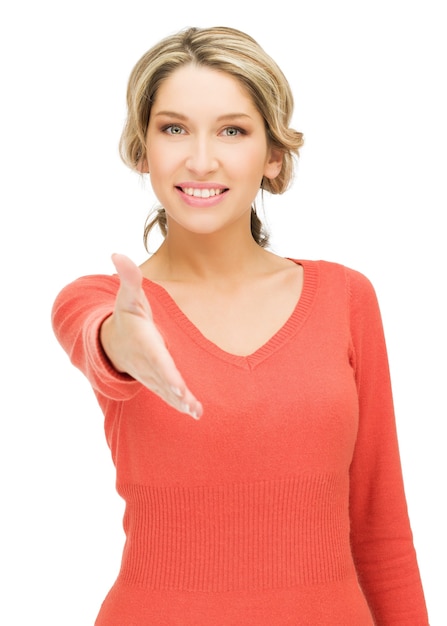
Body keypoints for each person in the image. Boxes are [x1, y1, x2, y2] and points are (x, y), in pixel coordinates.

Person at [51, 25, 429, 625]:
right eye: (173, 129)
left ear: (273, 155)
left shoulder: (345, 298)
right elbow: (98, 336)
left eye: (233, 130)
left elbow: (381, 533)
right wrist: (120, 341)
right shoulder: (104, 301)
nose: (201, 159)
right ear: (142, 149)